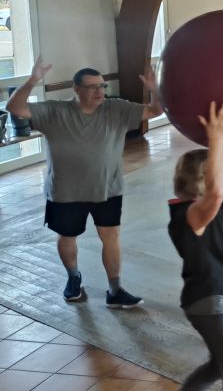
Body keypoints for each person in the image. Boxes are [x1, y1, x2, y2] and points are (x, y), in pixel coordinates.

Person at [7, 58, 162, 306]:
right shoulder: (55, 111)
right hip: (65, 192)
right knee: (67, 237)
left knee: (110, 236)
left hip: (107, 188)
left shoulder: (116, 109)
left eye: (102, 86)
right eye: (92, 87)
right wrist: (33, 80)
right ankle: (73, 278)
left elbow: (155, 111)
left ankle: (115, 290)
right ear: (76, 89)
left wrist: (155, 88)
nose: (100, 91)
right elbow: (14, 107)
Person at [167, 102, 223, 391]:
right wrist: (215, 139)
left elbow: (222, 174)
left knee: (219, 365)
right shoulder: (191, 214)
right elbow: (216, 190)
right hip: (213, 300)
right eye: (216, 171)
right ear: (203, 181)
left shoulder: (211, 205)